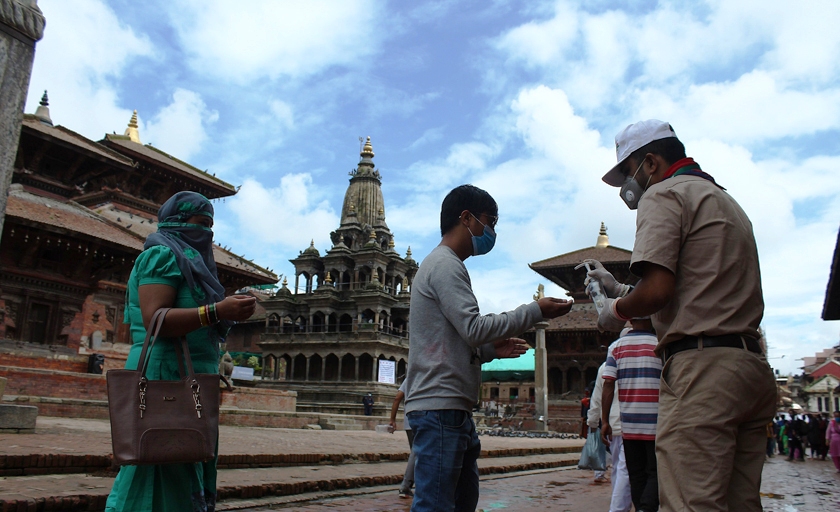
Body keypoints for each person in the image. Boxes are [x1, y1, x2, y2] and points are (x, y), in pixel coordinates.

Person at [591, 120, 776, 511]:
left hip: (702, 371)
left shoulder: (663, 195)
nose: (630, 183)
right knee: (740, 502)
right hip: (750, 368)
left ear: (652, 163)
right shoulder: (727, 202)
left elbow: (657, 291)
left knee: (691, 501)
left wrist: (615, 310)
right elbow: (694, 290)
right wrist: (620, 289)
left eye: (629, 172)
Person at [403, 184, 573, 512]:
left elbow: (455, 342)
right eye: (489, 221)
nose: (491, 232)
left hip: (452, 406)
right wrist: (536, 310)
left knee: (462, 501)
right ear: (465, 217)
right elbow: (473, 328)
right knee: (436, 505)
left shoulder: (445, 265)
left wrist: (492, 351)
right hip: (440, 406)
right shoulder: (444, 265)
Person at [105, 191, 257, 512]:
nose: (207, 233)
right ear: (175, 221)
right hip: (162, 375)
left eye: (210, 226)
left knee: (188, 457)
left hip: (192, 377)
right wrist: (215, 311)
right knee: (157, 462)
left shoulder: (192, 263)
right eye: (200, 223)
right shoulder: (161, 254)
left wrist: (224, 312)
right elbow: (154, 320)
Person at [601, 317, 661, 512]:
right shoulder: (661, 344)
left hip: (630, 424)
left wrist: (605, 420)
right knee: (655, 472)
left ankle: (640, 508)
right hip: (658, 423)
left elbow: (608, 383)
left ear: (629, 318)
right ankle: (647, 508)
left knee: (635, 473)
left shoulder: (616, 347)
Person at [588, 359, 632, 511]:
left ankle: (618, 503)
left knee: (618, 468)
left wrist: (593, 423)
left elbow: (597, 398)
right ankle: (618, 508)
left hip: (613, 424)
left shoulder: (606, 366)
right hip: (637, 423)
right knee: (625, 469)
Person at [389, 380, 415, 499]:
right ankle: (405, 486)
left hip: (409, 420)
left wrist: (392, 419)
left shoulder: (410, 377)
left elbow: (397, 398)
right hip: (423, 419)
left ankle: (412, 485)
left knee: (416, 453)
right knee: (417, 453)